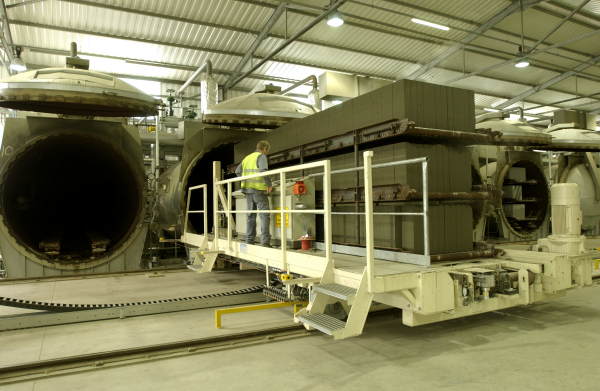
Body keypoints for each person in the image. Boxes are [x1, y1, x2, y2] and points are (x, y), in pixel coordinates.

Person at [235, 140, 273, 247]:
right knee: (264, 215)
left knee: (251, 215)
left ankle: (249, 240)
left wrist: (245, 180)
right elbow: (263, 171)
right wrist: (269, 185)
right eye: (267, 151)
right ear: (264, 148)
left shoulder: (247, 158)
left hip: (248, 191)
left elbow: (237, 171)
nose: (266, 153)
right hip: (259, 190)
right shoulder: (261, 157)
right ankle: (265, 241)